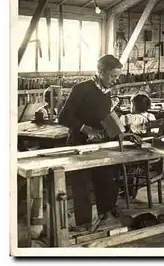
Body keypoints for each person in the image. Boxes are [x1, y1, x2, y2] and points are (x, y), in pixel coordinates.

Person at [58, 54, 123, 231]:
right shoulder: (82, 89)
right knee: (82, 188)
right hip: (79, 145)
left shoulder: (106, 92)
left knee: (106, 182)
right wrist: (86, 129)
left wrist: (122, 133)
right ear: (100, 72)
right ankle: (84, 226)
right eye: (112, 76)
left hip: (100, 145)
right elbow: (63, 117)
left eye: (117, 77)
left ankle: (105, 218)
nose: (115, 80)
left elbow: (105, 117)